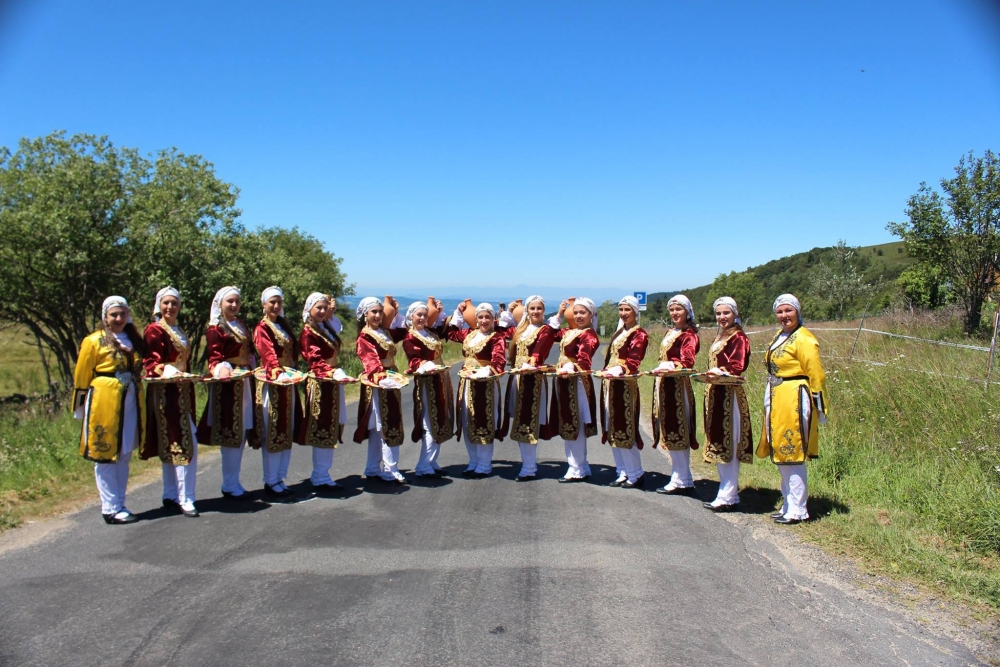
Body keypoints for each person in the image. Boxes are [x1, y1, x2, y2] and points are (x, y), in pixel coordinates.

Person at [73, 296, 146, 524]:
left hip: (130, 400)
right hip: (104, 402)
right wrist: (80, 406)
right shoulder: (94, 341)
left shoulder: (133, 339)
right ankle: (110, 508)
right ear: (105, 317)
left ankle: (120, 502)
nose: (118, 318)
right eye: (114, 314)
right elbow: (82, 375)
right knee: (104, 454)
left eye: (122, 314)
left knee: (124, 452)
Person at [756, 293, 828, 525]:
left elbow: (816, 373)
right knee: (781, 451)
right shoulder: (781, 335)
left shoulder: (804, 339)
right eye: (780, 311)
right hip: (779, 395)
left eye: (788, 310)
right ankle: (788, 503)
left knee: (792, 450)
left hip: (794, 397)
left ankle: (798, 509)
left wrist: (819, 405)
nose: (784, 315)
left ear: (797, 311)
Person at [140, 286, 199, 517]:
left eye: (174, 303)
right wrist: (170, 371)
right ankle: (186, 497)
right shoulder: (155, 330)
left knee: (176, 440)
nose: (170, 307)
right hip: (166, 392)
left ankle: (171, 494)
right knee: (182, 441)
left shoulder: (177, 330)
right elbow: (151, 363)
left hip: (183, 390)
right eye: (166, 303)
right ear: (159, 305)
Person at [196, 286, 256, 501]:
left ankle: (234, 481)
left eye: (236, 301)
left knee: (241, 431)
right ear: (220, 304)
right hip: (228, 384)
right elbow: (215, 358)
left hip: (244, 381)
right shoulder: (216, 328)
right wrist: (223, 369)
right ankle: (229, 484)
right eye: (229, 301)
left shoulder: (239, 324)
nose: (234, 305)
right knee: (231, 432)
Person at [701, 297, 753, 512]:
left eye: (726, 313)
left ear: (735, 314)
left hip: (729, 394)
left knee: (729, 441)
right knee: (719, 442)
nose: (722, 317)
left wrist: (720, 372)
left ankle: (729, 495)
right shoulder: (721, 335)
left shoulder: (738, 337)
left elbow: (738, 365)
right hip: (716, 392)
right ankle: (725, 491)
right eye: (719, 313)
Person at [447, 302, 510, 478]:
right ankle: (473, 461)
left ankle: (484, 463)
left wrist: (485, 371)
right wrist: (458, 312)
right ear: (476, 319)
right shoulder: (469, 333)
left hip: (485, 384)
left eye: (487, 317)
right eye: (480, 317)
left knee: (484, 421)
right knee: (466, 420)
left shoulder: (496, 338)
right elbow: (451, 333)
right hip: (466, 382)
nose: (484, 321)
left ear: (493, 319)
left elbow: (499, 361)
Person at [251, 286, 302, 501]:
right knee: (273, 430)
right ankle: (271, 480)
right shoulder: (262, 328)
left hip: (288, 382)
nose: (276, 306)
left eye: (279, 302)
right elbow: (268, 355)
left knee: (286, 430)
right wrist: (278, 373)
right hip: (273, 383)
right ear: (264, 304)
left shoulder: (282, 325)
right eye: (272, 302)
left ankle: (280, 477)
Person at [297, 292, 349, 493]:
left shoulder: (324, 327)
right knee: (322, 427)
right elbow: (315, 360)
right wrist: (332, 372)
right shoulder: (308, 332)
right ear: (309, 309)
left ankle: (323, 473)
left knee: (331, 426)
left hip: (331, 381)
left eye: (324, 307)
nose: (321, 311)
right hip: (321, 382)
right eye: (318, 307)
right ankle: (320, 475)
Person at [353, 296, 409, 484]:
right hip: (380, 383)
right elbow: (370, 361)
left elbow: (403, 331)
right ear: (365, 315)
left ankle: (372, 468)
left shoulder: (384, 331)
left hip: (391, 378)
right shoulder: (365, 336)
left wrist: (396, 312)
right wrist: (382, 378)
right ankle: (390, 469)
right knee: (386, 424)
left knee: (380, 426)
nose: (377, 315)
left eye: (379, 312)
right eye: (373, 312)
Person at [501, 295, 556, 481]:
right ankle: (527, 463)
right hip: (518, 378)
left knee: (528, 421)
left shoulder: (546, 330)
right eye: (532, 308)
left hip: (533, 379)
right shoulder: (521, 328)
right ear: (527, 310)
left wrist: (531, 363)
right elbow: (499, 332)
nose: (536, 311)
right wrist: (507, 313)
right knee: (520, 421)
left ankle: (529, 467)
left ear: (544, 310)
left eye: (539, 308)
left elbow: (539, 351)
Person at [651, 294, 701, 495]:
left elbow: (687, 361)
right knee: (668, 428)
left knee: (677, 429)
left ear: (687, 312)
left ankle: (680, 478)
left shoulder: (689, 335)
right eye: (671, 310)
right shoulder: (671, 332)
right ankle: (682, 476)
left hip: (677, 386)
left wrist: (670, 365)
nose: (674, 313)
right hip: (664, 384)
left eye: (678, 309)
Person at [399, 300, 453, 478]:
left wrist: (440, 312)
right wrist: (427, 365)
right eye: (419, 315)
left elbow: (444, 329)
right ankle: (423, 465)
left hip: (440, 379)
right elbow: (414, 360)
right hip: (427, 382)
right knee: (430, 421)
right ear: (411, 317)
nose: (422, 318)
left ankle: (432, 461)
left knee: (440, 420)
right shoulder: (410, 337)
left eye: (424, 315)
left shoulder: (430, 332)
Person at [548, 297, 599, 482]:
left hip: (576, 382)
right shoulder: (570, 332)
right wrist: (559, 314)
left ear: (591, 315)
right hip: (564, 381)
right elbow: (550, 334)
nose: (578, 316)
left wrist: (569, 367)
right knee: (567, 422)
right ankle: (580, 465)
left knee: (574, 423)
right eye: (576, 312)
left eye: (582, 313)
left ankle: (576, 467)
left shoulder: (589, 335)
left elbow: (584, 360)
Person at [600, 296, 649, 488]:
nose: (623, 313)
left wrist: (620, 369)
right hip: (611, 383)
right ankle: (622, 470)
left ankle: (636, 473)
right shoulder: (620, 332)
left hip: (624, 385)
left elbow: (634, 359)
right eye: (621, 309)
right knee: (612, 426)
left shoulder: (639, 334)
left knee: (625, 426)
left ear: (635, 312)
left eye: (627, 309)